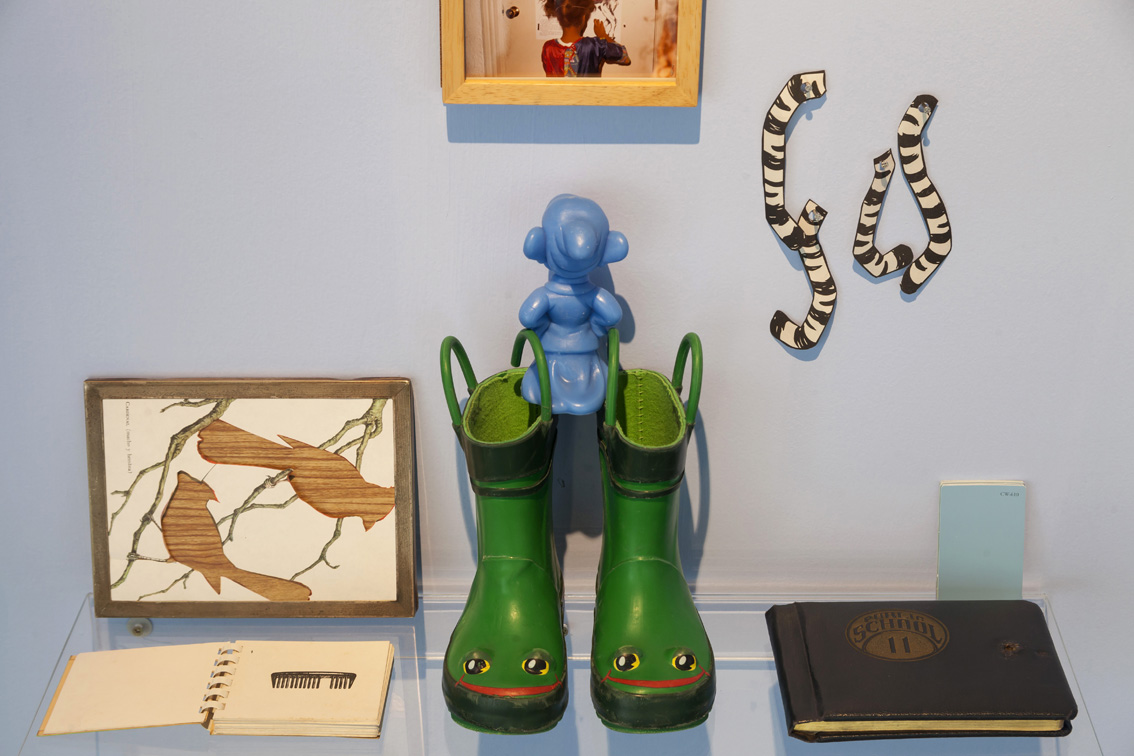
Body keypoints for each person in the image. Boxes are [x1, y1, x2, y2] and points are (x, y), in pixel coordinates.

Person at [540, 0, 630, 77]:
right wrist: (603, 36)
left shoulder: (548, 48)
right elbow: (625, 58)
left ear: (559, 19)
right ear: (583, 18)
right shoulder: (595, 46)